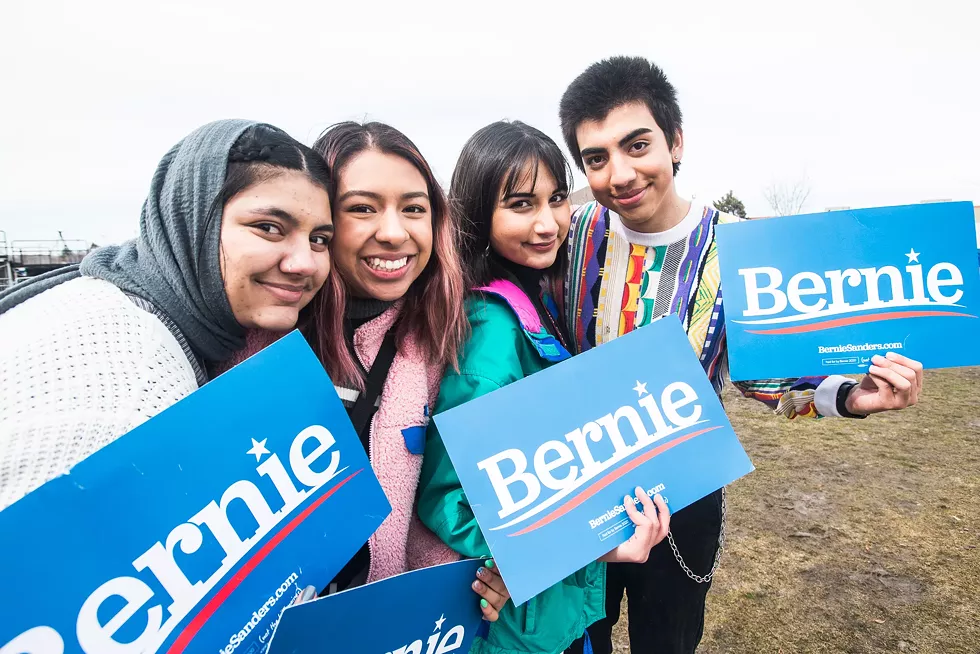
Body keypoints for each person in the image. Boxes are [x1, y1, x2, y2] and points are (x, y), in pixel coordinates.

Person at [558, 56, 926, 654]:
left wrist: (856, 395)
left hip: (683, 492)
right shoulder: (571, 237)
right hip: (571, 485)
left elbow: (766, 375)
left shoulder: (739, 248)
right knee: (572, 642)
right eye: (595, 158)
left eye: (637, 145)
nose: (619, 173)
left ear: (675, 142)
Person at [417, 120, 672, 654]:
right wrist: (591, 543)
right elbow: (450, 496)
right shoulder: (491, 333)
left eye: (556, 198)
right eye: (520, 204)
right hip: (517, 625)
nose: (547, 223)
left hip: (552, 612)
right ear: (477, 213)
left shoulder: (538, 299)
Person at [0, 120, 335, 511]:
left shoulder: (106, 300)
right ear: (190, 220)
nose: (304, 263)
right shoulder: (130, 389)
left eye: (319, 239)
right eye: (268, 227)